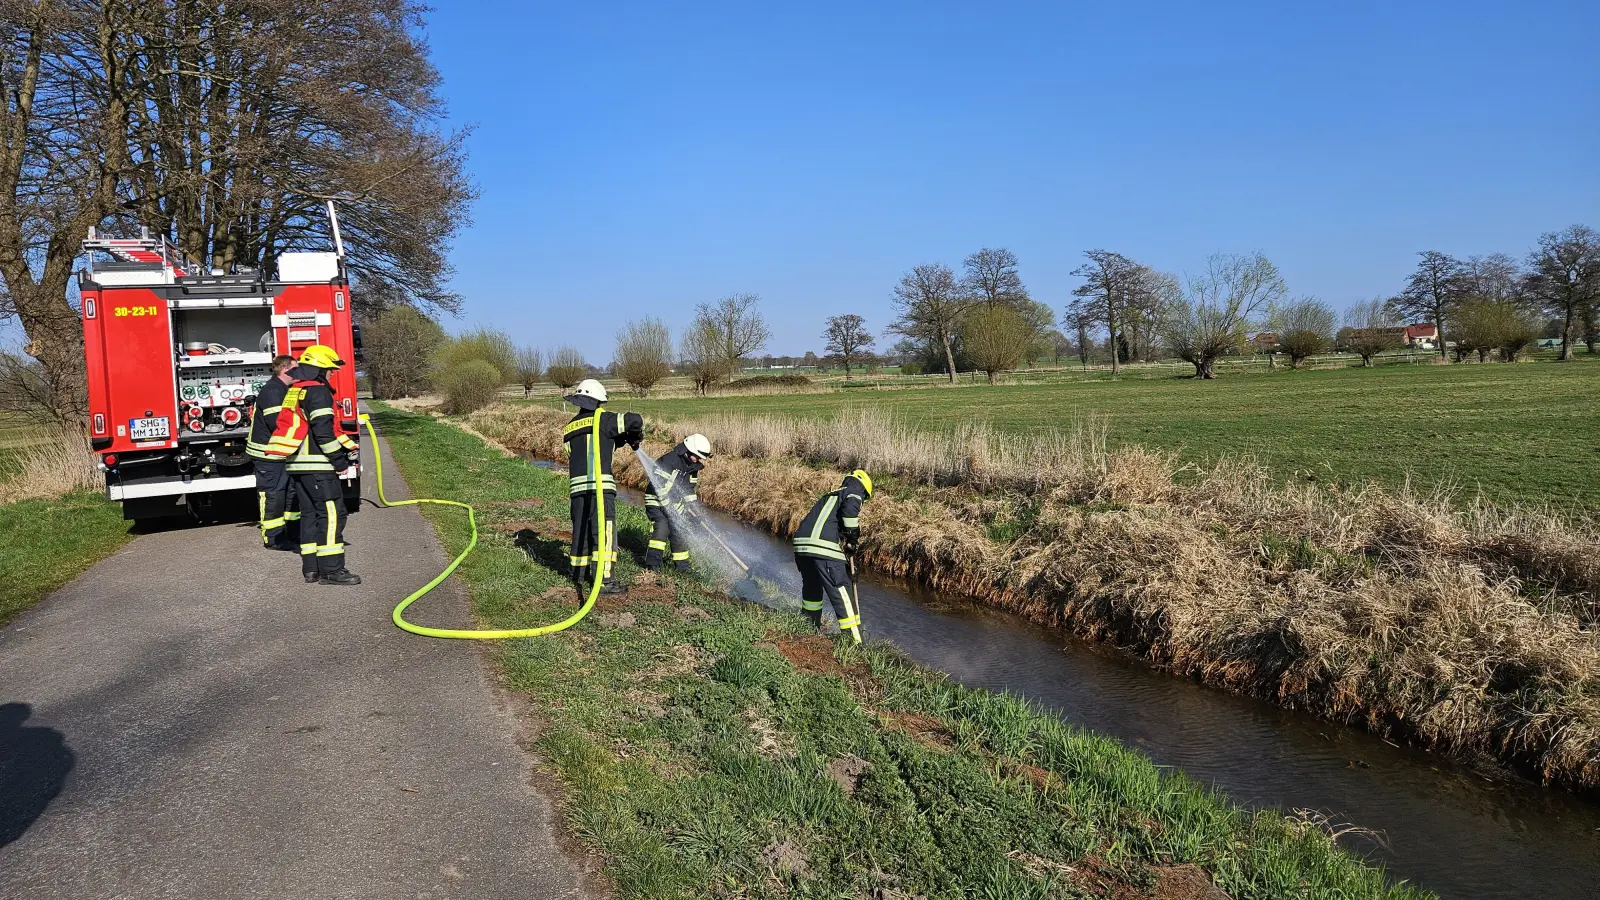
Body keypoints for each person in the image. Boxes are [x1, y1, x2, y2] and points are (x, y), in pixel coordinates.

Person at [282, 345, 361, 585]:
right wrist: (339, 461)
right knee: (332, 515)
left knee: (309, 515)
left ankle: (311, 568)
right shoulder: (318, 393)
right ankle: (332, 570)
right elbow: (323, 431)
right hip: (318, 466)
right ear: (318, 370)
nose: (331, 375)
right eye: (329, 370)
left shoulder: (295, 391)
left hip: (298, 465)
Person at [562, 379, 642, 594]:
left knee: (581, 532)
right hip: (600, 488)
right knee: (604, 534)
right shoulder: (603, 419)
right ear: (598, 401)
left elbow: (595, 444)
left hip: (577, 490)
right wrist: (634, 435)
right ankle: (605, 581)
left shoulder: (570, 427)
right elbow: (635, 420)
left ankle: (577, 574)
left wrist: (623, 438)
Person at [792, 469, 872, 644]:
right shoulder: (854, 491)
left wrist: (845, 553)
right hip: (823, 547)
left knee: (812, 590)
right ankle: (855, 643)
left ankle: (808, 629)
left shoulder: (831, 495)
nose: (863, 500)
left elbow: (829, 525)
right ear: (864, 489)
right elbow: (850, 512)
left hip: (803, 547)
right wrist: (852, 536)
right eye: (865, 498)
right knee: (842, 592)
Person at [246, 355, 301, 550]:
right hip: (267, 455)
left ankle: (292, 533)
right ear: (285, 370)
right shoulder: (273, 391)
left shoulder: (283, 389)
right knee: (273, 496)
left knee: (288, 495)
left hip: (281, 454)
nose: (299, 372)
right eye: (296, 368)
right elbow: (277, 423)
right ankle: (273, 538)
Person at [643, 433, 712, 571]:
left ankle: (683, 567)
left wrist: (694, 511)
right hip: (656, 502)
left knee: (679, 530)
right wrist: (668, 506)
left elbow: (688, 491)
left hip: (673, 505)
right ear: (689, 450)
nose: (698, 459)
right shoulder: (669, 461)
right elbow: (659, 487)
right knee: (662, 527)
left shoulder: (693, 468)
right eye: (697, 456)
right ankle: (653, 564)